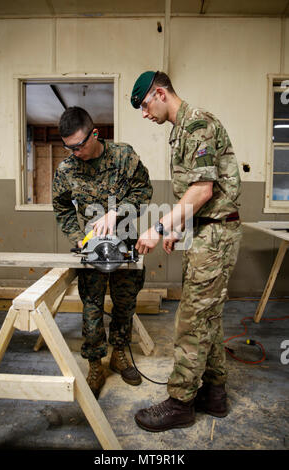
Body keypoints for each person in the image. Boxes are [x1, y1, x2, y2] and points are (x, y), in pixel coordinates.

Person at [130, 71, 242, 432]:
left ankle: (180, 403)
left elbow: (203, 191)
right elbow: (194, 193)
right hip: (205, 233)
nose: (145, 114)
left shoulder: (197, 125)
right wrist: (179, 228)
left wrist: (159, 226)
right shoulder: (180, 131)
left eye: (146, 105)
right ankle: (214, 393)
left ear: (160, 93)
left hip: (216, 237)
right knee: (208, 316)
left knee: (191, 320)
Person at [52, 106, 153, 399]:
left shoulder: (124, 156)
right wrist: (77, 237)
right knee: (92, 308)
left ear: (94, 134)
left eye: (79, 145)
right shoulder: (66, 170)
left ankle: (119, 354)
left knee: (125, 303)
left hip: (125, 243)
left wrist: (116, 212)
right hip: (92, 248)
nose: (74, 152)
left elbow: (143, 192)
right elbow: (60, 206)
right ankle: (95, 364)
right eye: (68, 147)